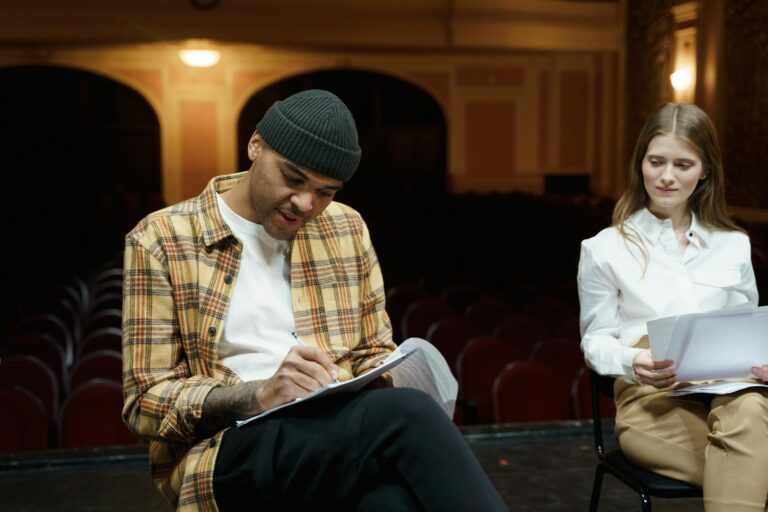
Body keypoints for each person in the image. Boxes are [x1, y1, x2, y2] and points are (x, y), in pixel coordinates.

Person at [122, 89, 506, 512]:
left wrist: (380, 375)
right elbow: (145, 402)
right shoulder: (161, 238)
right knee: (408, 415)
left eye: (326, 192)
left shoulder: (346, 228)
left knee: (392, 505)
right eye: (293, 178)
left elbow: (371, 351)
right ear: (255, 146)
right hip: (227, 449)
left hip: (336, 434)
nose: (306, 204)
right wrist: (260, 394)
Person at [577, 102, 768, 511]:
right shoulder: (604, 249)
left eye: (682, 164)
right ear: (640, 163)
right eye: (656, 161)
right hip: (651, 400)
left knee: (751, 408)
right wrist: (633, 359)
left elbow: (749, 331)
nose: (666, 176)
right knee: (751, 463)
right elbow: (594, 341)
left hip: (731, 395)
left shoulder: (733, 245)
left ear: (705, 171)